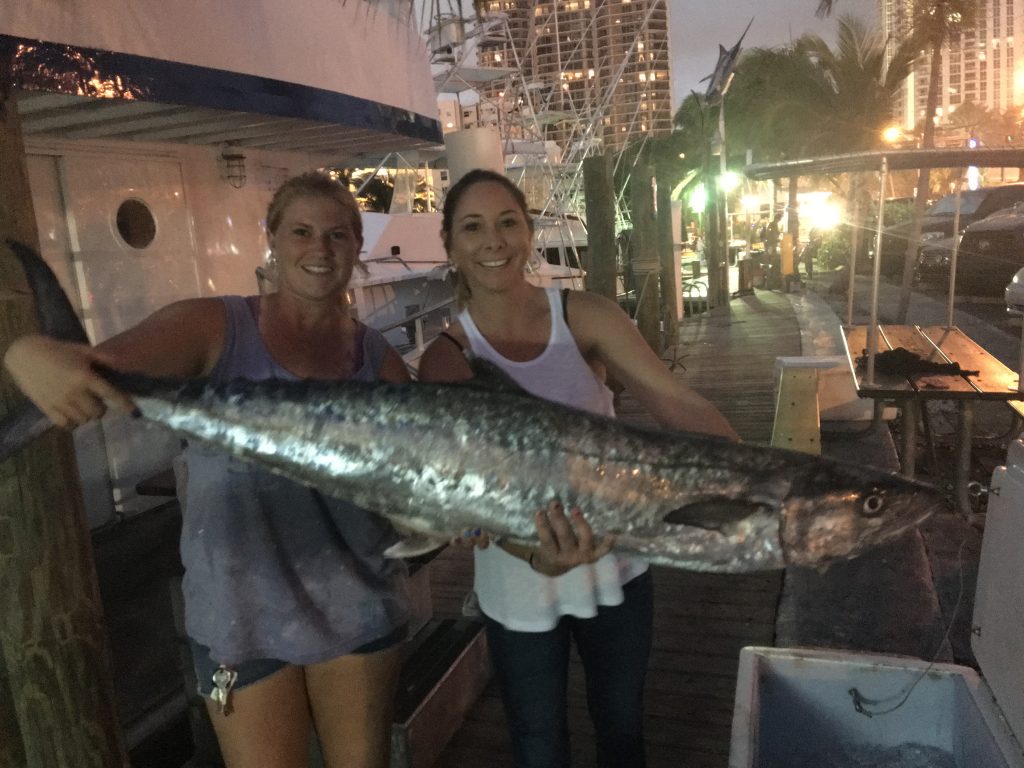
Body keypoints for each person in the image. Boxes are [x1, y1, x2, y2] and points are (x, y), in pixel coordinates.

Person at [4, 171, 410, 768]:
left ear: (356, 247)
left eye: (338, 235)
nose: (320, 250)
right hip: (240, 615)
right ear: (272, 237)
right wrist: (27, 355)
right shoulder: (215, 326)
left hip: (359, 606)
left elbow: (413, 492)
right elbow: (98, 367)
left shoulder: (381, 360)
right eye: (302, 231)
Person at [418, 168, 738, 768]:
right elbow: (471, 498)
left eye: (507, 222)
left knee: (622, 733)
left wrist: (750, 476)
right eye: (473, 227)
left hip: (616, 567)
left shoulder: (584, 315)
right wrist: (539, 556)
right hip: (518, 581)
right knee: (539, 748)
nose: (494, 241)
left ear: (528, 232)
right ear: (452, 248)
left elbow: (678, 403)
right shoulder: (446, 359)